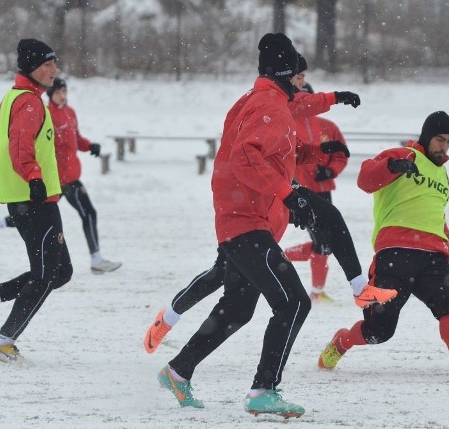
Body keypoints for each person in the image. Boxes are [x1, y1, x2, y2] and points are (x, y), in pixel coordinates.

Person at [154, 33, 397, 418]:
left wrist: (332, 101)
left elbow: (297, 111)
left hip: (247, 220)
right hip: (246, 223)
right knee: (294, 303)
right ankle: (263, 390)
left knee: (237, 309)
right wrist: (287, 194)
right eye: (299, 75)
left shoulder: (269, 99)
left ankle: (178, 371)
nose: (304, 83)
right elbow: (245, 157)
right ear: (286, 74)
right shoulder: (268, 105)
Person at [317, 111, 449, 382]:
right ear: (427, 136)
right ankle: (342, 341)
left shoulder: (443, 175)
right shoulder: (402, 154)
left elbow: (436, 218)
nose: (444, 147)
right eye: (440, 139)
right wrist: (392, 167)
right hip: (395, 252)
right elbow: (365, 180)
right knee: (379, 330)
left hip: (434, 255)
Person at [0, 39, 73, 362]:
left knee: (61, 271)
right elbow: (16, 146)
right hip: (35, 200)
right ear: (31, 69)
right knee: (45, 277)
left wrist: (17, 178)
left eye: (54, 63)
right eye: (46, 65)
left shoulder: (14, 97)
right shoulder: (28, 103)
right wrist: (32, 178)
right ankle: (3, 341)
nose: (53, 70)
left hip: (28, 199)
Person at [0, 78, 121, 274]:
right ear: (50, 94)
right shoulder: (46, 115)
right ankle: (96, 260)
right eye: (58, 92)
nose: (62, 95)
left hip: (68, 175)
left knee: (31, 215)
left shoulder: (69, 113)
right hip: (59, 178)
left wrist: (89, 146)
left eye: (64, 91)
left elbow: (76, 139)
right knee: (88, 213)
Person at [284, 78, 349, 302]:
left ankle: (284, 259)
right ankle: (315, 290)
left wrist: (330, 171)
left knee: (325, 242)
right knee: (323, 242)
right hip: (299, 192)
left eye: (308, 98)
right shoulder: (287, 125)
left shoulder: (328, 127)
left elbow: (341, 154)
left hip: (323, 192)